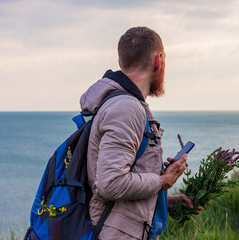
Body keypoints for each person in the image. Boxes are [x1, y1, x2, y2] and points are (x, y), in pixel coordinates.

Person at [79, 26, 201, 240]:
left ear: (120, 63)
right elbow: (111, 183)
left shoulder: (123, 105)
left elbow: (120, 178)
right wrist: (165, 181)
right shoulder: (126, 109)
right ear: (158, 60)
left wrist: (162, 199)